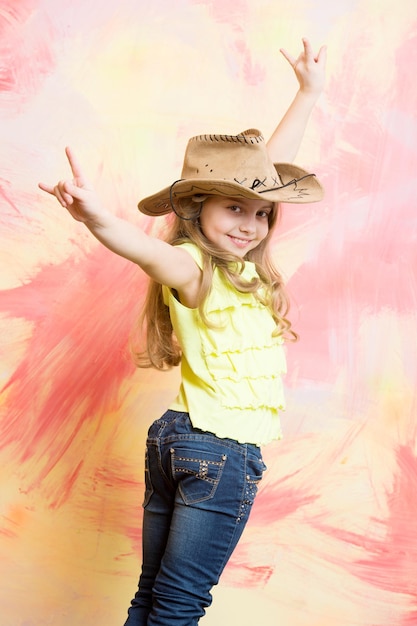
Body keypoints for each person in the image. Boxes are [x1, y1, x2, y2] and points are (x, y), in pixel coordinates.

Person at [39, 38, 326, 626]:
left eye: (261, 213)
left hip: (178, 439)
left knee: (153, 599)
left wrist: (307, 93)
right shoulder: (194, 266)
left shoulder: (240, 270)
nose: (251, 224)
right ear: (196, 212)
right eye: (233, 210)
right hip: (217, 452)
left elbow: (264, 176)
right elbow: (148, 252)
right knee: (178, 606)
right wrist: (98, 218)